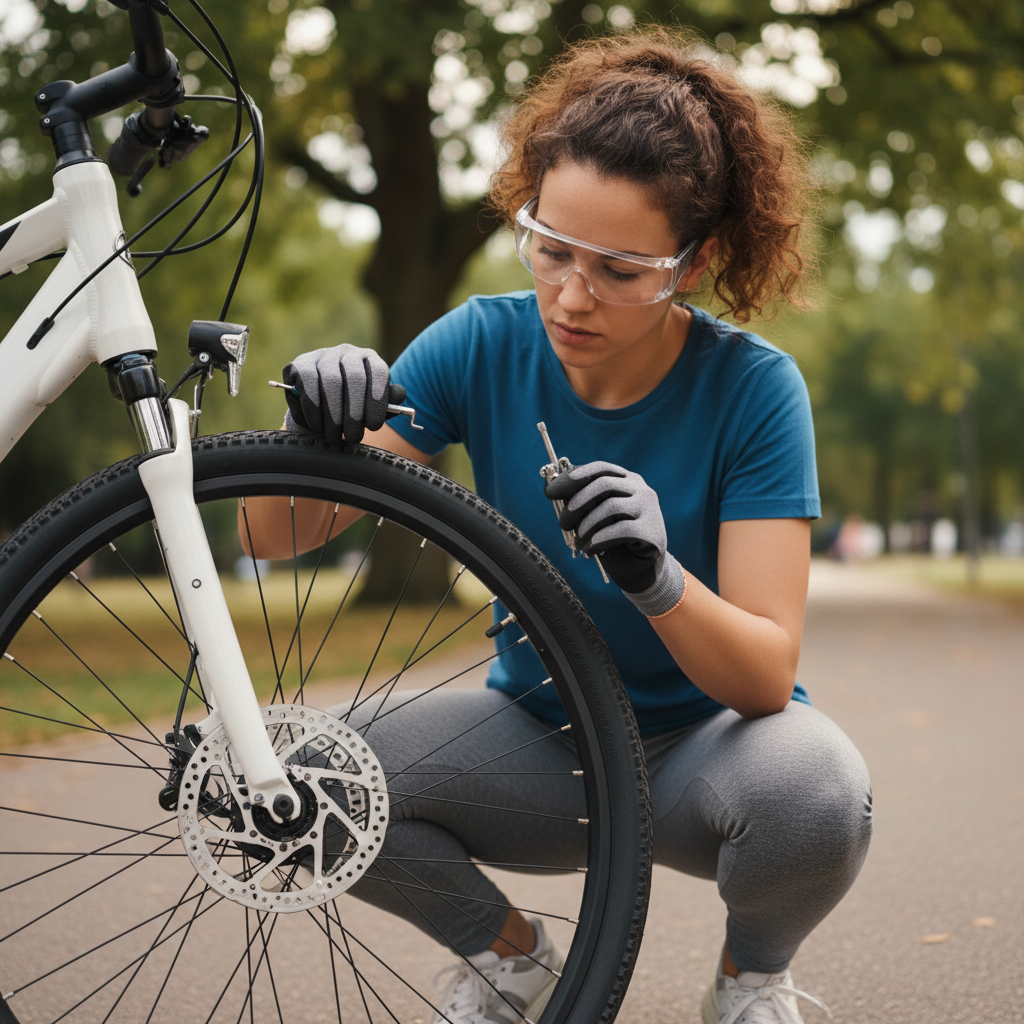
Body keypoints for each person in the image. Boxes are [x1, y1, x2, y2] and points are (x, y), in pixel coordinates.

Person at [242, 27, 872, 1024]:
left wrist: (655, 573)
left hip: (707, 752)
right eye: (551, 248)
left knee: (819, 794)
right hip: (538, 744)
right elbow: (273, 539)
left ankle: (750, 981)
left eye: (620, 270)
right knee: (289, 781)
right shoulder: (480, 344)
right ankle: (510, 958)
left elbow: (763, 674)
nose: (572, 296)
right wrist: (310, 435)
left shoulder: (754, 389)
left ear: (694, 261)